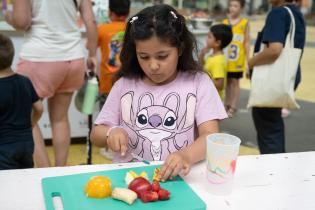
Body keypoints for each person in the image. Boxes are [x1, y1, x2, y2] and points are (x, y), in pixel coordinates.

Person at [90, 4, 227, 181]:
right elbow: (96, 134)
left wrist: (186, 156)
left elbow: (210, 135)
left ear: (180, 49)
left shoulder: (198, 82)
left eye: (162, 56)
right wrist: (111, 132)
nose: (153, 66)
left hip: (181, 180)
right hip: (130, 180)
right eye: (144, 57)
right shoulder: (124, 86)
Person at [5, 0, 97, 167]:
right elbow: (90, 21)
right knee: (60, 118)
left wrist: (8, 16)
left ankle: (44, 171)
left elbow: (21, 21)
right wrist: (91, 54)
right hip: (73, 58)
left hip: (40, 57)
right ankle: (59, 170)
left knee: (26, 118)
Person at [248, 0, 305, 154]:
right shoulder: (295, 13)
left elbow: (274, 50)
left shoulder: (278, 13)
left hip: (271, 80)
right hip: (287, 76)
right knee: (273, 125)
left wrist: (250, 63)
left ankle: (273, 169)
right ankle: (278, 164)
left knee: (268, 131)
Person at [0, 34, 43, 170]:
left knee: (6, 183)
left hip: (3, 148)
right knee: (25, 177)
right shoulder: (24, 81)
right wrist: (32, 123)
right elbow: (39, 108)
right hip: (26, 143)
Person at [97, 0, 130, 160]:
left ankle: (108, 147)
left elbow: (92, 46)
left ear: (110, 12)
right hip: (127, 79)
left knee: (105, 116)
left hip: (107, 79)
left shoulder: (102, 29)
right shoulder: (131, 30)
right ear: (128, 12)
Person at [223, 0, 250, 117]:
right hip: (226, 59)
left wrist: (248, 61)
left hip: (237, 60)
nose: (232, 8)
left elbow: (247, 42)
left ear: (241, 8)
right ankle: (226, 104)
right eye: (231, 5)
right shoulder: (225, 22)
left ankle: (233, 106)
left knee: (235, 82)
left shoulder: (244, 23)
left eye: (235, 6)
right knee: (227, 82)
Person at [199, 24, 233, 101]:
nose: (206, 39)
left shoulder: (218, 61)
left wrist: (204, 74)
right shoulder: (213, 56)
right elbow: (204, 67)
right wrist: (202, 55)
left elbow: (219, 85)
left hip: (214, 101)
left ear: (217, 43)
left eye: (209, 37)